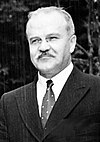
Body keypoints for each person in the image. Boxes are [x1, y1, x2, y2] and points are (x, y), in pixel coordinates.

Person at [0, 6, 100, 142]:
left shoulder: (96, 90)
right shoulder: (9, 103)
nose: (43, 47)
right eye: (35, 41)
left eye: (52, 38)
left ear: (72, 43)